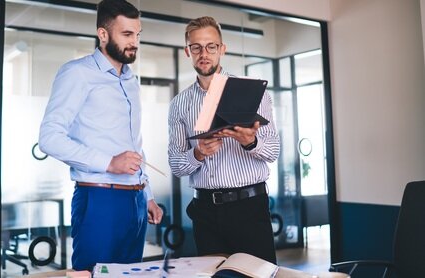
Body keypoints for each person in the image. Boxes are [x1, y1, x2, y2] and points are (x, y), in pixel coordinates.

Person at [39, 0, 163, 271]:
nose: (135, 42)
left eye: (138, 34)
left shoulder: (131, 81)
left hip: (137, 201)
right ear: (103, 34)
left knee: (130, 276)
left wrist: (148, 194)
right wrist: (109, 162)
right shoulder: (77, 73)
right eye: (127, 34)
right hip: (99, 200)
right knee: (93, 275)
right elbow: (49, 137)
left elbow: (134, 145)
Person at [168, 16, 280, 263]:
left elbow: (273, 150)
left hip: (250, 207)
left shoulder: (253, 92)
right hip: (205, 212)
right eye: (196, 47)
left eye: (211, 46)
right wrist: (197, 153)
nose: (203, 53)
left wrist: (249, 141)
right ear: (188, 51)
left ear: (222, 49)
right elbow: (176, 165)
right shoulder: (179, 104)